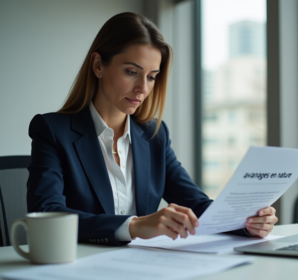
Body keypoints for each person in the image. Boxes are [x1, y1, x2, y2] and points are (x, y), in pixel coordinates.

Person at [27, 12, 278, 246]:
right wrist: (134, 226)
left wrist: (246, 222)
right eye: (131, 72)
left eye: (151, 76)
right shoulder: (52, 130)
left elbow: (196, 205)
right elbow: (48, 212)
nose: (143, 89)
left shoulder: (154, 136)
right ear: (98, 65)